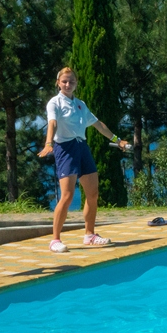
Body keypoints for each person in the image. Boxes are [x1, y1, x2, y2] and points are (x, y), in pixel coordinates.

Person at [38, 67, 129, 252]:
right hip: (65, 148)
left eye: (71, 81)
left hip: (82, 147)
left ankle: (90, 235)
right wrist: (48, 143)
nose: (68, 84)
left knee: (93, 193)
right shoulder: (54, 103)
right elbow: (52, 123)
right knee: (67, 195)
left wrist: (117, 140)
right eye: (64, 81)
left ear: (76, 83)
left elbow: (98, 124)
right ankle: (55, 240)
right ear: (58, 83)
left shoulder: (80, 104)